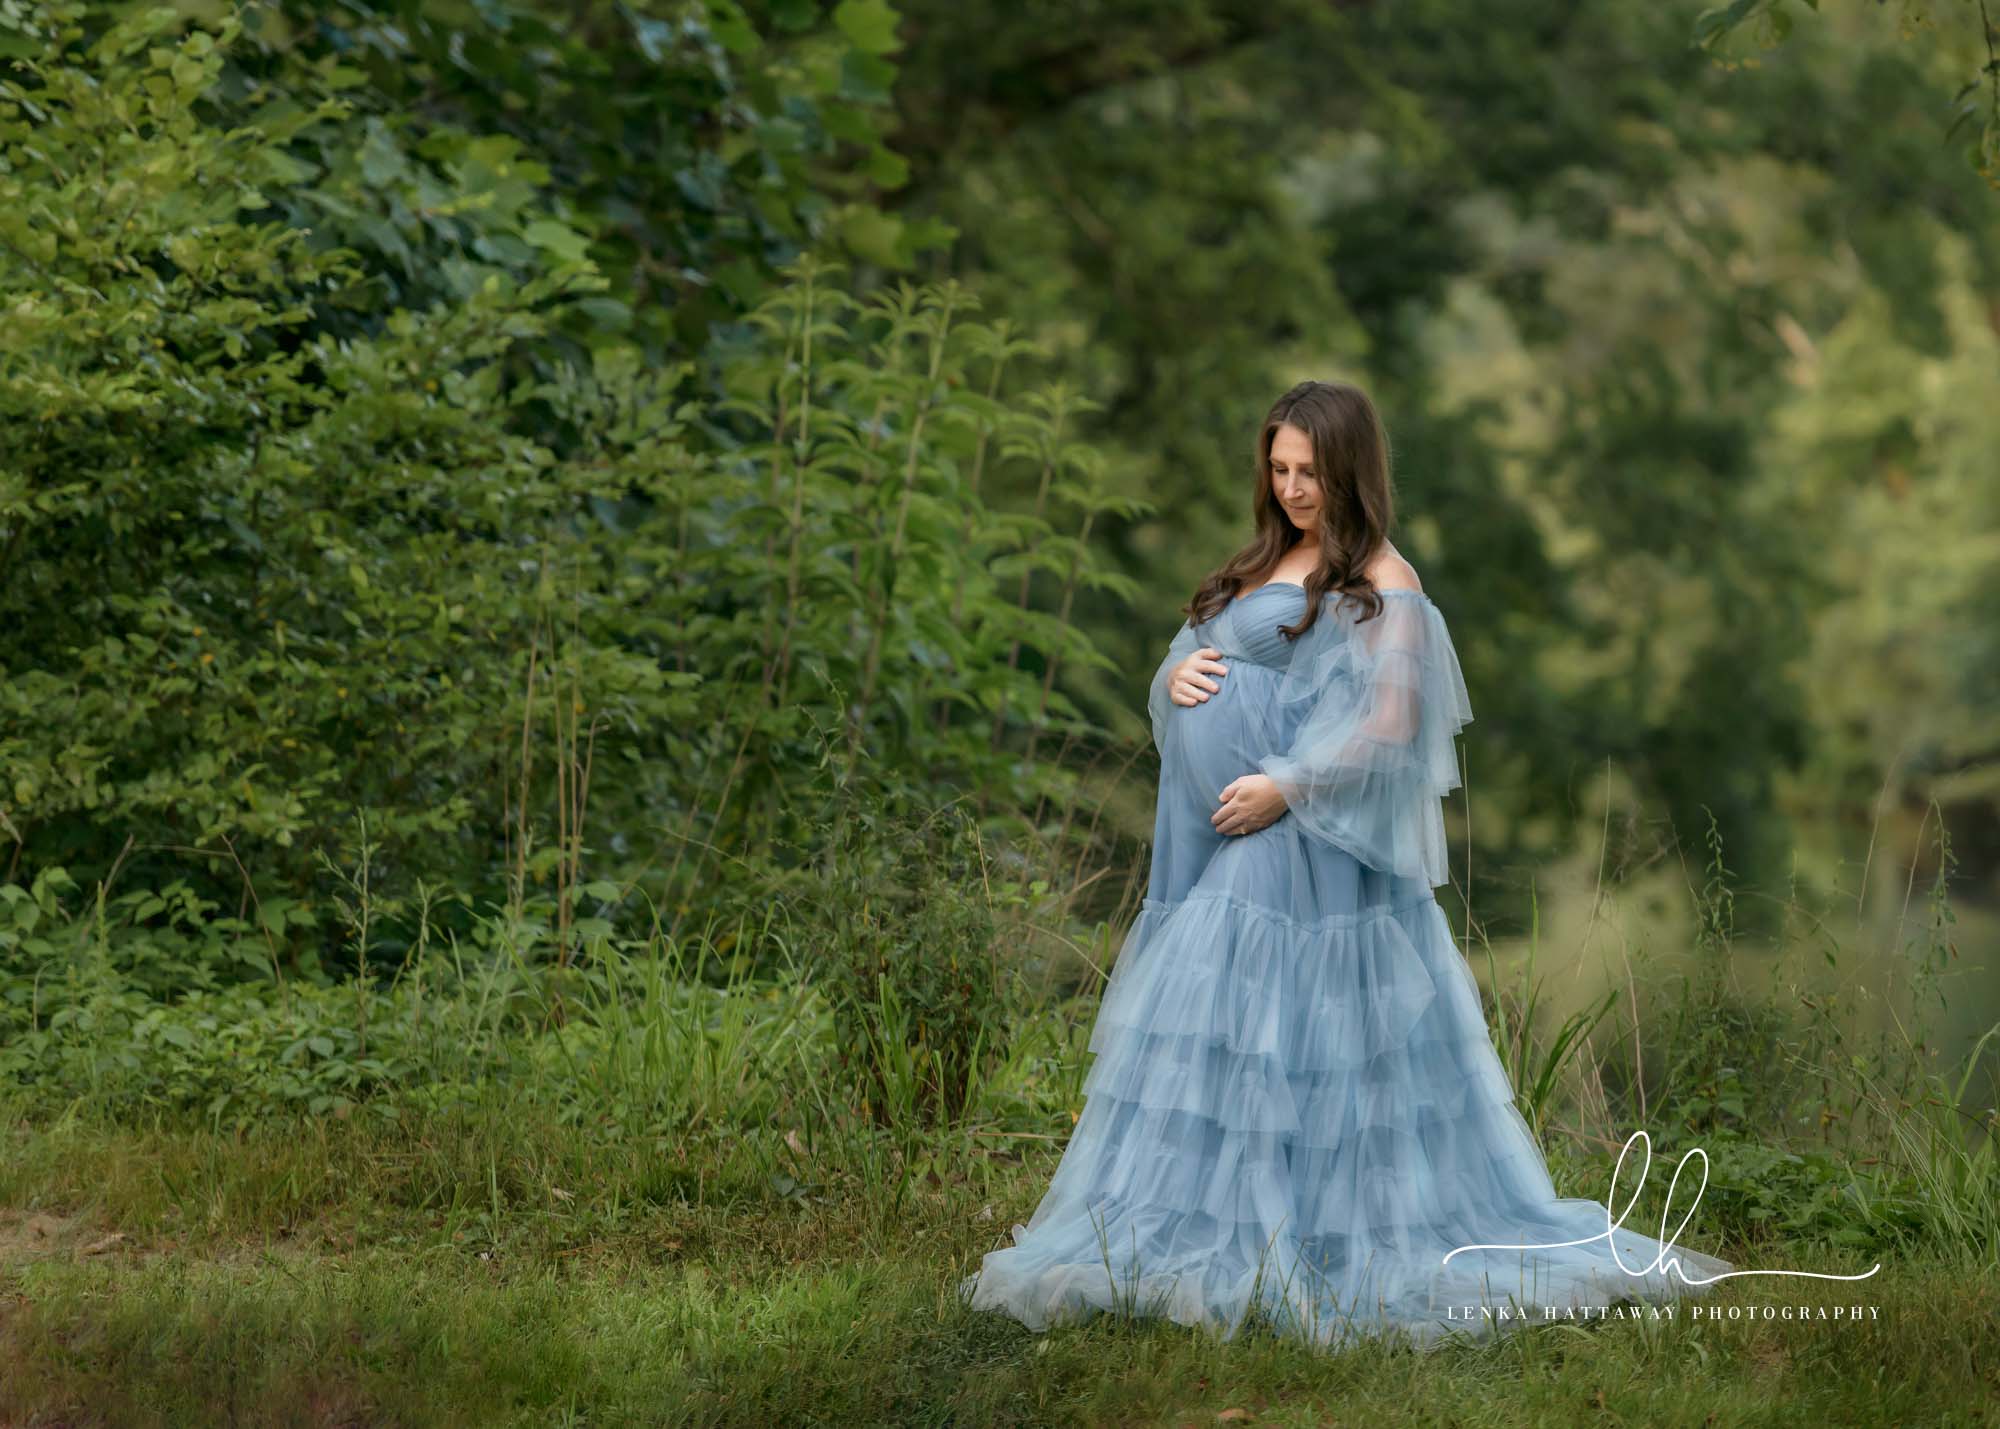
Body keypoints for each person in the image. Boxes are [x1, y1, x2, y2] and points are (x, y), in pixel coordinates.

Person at [958, 379, 1733, 1351]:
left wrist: (1284, 785)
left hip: (1305, 848)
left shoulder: (1385, 581)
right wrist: (1171, 674)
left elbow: (1388, 726)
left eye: (1308, 472)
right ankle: (1206, 1221)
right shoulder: (1263, 559)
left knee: (1280, 1041)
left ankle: (1303, 1234)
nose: (1290, 488)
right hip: (1233, 838)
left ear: (1348, 469)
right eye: (1277, 469)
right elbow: (1194, 655)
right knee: (1230, 1040)